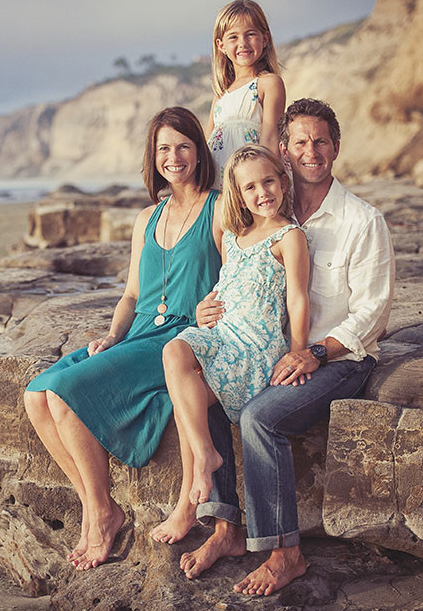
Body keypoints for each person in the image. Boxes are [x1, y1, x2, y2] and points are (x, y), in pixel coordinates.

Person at [182, 99, 395, 596]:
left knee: (260, 416)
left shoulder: (363, 222)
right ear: (284, 149)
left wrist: (315, 353)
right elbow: (237, 280)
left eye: (321, 141)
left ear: (336, 148)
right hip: (270, 349)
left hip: (340, 358)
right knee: (203, 382)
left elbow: (373, 315)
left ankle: (285, 554)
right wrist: (204, 312)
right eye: (299, 141)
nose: (310, 151)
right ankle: (226, 528)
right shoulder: (267, 209)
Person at [23, 107, 223, 570]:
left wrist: (211, 309)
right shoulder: (146, 218)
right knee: (36, 396)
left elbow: (239, 274)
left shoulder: (219, 209)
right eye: (163, 149)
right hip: (135, 336)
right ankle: (101, 507)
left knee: (65, 394)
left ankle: (98, 515)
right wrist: (112, 335)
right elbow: (132, 294)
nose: (173, 157)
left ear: (199, 151)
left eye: (182, 146)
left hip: (180, 341)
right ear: (153, 159)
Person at [150, 144, 310, 546]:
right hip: (223, 336)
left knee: (185, 396)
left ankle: (198, 487)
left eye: (269, 181)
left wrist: (298, 350)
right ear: (238, 195)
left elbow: (297, 299)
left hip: (255, 347)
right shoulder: (236, 236)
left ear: (283, 181)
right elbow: (226, 285)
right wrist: (205, 306)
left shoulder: (290, 236)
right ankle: (205, 455)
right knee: (174, 350)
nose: (262, 193)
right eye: (250, 187)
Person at [205, 0, 287, 175]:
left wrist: (259, 184)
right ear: (221, 46)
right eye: (233, 37)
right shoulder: (221, 93)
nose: (243, 43)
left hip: (251, 180)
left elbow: (271, 140)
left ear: (264, 39)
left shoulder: (268, 83)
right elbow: (206, 143)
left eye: (250, 34)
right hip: (218, 185)